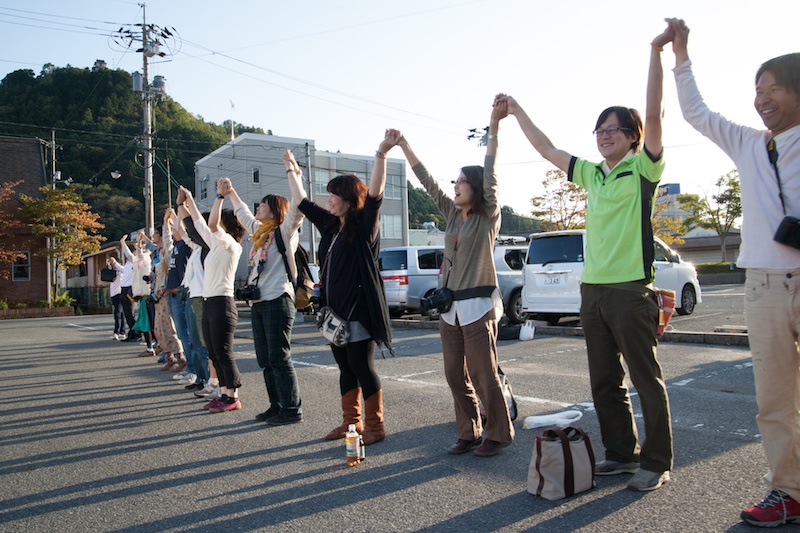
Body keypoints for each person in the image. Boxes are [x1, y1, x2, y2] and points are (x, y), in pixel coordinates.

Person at [496, 22, 675, 488]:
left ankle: (656, 462)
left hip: (631, 289)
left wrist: (656, 53)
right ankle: (621, 453)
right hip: (592, 290)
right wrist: (516, 111)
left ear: (633, 136)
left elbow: (654, 115)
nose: (604, 134)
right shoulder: (593, 174)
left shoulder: (643, 168)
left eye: (614, 129)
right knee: (604, 383)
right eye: (599, 129)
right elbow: (547, 148)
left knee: (646, 380)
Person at [667, 18, 800, 526]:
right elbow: (696, 112)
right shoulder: (750, 142)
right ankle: (787, 492)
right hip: (763, 285)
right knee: (774, 400)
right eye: (757, 91)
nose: (762, 100)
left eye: (774, 90)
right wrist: (681, 53)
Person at [395, 100, 515, 458]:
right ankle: (468, 431)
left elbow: (491, 167)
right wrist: (404, 146)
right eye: (456, 181)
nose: (456, 185)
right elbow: (427, 182)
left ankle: (498, 433)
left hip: (478, 306)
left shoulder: (487, 214)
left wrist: (493, 124)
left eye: (463, 181)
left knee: (484, 374)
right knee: (453, 374)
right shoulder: (451, 214)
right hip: (450, 308)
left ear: (476, 187)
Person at [299, 130, 397, 445]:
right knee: (344, 368)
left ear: (347, 200)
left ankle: (376, 427)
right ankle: (350, 425)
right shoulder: (333, 227)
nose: (328, 202)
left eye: (333, 197)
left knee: (361, 367)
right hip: (334, 314)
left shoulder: (364, 226)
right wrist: (291, 170)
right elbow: (303, 203)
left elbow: (376, 194)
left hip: (357, 313)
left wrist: (381, 153)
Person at [217, 149, 306, 426]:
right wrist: (230, 193)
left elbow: (300, 205)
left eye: (263, 206)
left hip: (278, 299)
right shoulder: (259, 233)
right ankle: (276, 405)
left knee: (279, 357)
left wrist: (293, 172)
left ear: (275, 210)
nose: (258, 208)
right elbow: (243, 215)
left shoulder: (284, 231)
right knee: (265, 359)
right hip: (259, 302)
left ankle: (292, 410)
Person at [179, 184, 245, 413]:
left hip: (222, 303)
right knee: (214, 352)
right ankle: (224, 394)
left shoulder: (231, 246)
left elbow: (211, 225)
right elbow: (199, 223)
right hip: (210, 303)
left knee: (224, 352)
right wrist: (186, 201)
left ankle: (232, 396)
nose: (214, 228)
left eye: (220, 225)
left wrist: (219, 196)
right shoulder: (214, 245)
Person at [107, 255, 125, 340]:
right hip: (114, 294)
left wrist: (115, 262)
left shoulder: (120, 270)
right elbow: (105, 275)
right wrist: (108, 265)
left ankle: (116, 332)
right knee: (120, 313)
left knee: (117, 313)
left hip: (119, 293)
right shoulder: (112, 272)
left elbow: (120, 269)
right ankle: (122, 331)